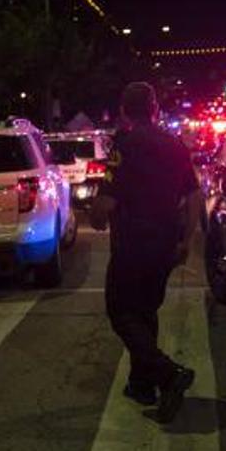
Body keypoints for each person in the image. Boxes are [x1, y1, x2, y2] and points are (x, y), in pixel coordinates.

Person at [89, 82, 199, 423]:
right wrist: (187, 241)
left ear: (124, 111)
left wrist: (98, 216)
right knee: (145, 311)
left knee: (121, 311)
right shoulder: (175, 145)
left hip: (133, 243)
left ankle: (168, 374)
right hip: (166, 242)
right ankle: (142, 384)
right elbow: (194, 195)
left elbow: (107, 199)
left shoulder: (124, 146)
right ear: (155, 109)